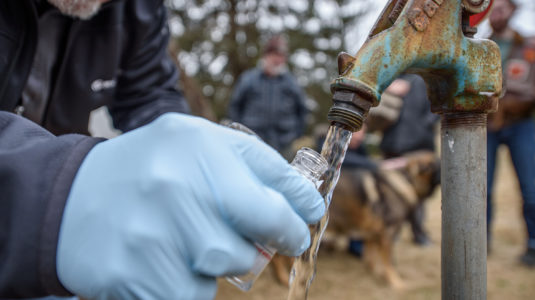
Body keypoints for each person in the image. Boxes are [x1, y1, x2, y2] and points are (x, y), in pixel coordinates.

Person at [0, 1, 325, 299]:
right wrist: (53, 194)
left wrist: (192, 155)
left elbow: (151, 95)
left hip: (52, 264)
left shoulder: (137, 9)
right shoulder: (251, 81)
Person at [487, 0, 535, 266]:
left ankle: (533, 244)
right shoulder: (482, 48)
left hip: (522, 124)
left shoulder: (529, 46)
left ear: (513, 10)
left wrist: (514, 105)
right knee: (481, 187)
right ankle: (478, 242)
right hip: (488, 125)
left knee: (531, 188)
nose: (497, 14)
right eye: (492, 9)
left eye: (502, 8)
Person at [373, 74, 439, 246]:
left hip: (418, 145)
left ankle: (419, 233)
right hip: (392, 144)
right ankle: (392, 232)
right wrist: (386, 87)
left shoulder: (424, 79)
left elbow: (438, 107)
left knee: (416, 194)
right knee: (391, 191)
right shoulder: (387, 78)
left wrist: (423, 126)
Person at [227, 35, 308, 160]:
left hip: (283, 146)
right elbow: (236, 106)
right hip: (252, 143)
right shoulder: (249, 79)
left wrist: (294, 135)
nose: (278, 60)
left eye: (281, 56)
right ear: (265, 56)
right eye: (274, 55)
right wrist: (240, 132)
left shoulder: (292, 83)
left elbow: (302, 110)